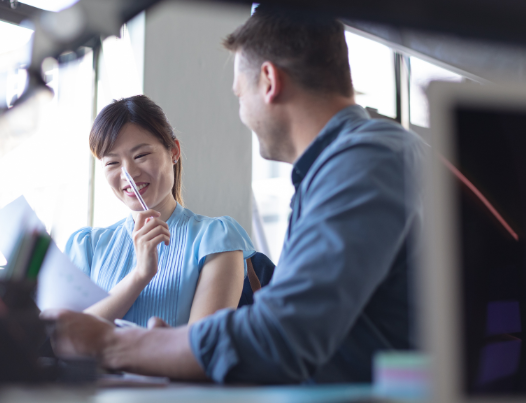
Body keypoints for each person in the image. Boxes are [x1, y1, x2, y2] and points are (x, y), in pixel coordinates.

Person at [42, 6, 424, 384]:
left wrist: (114, 345)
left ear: (269, 81)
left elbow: (281, 336)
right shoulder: (340, 167)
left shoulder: (362, 160)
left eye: (240, 95)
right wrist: (165, 343)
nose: (241, 113)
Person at [63, 94, 256, 328]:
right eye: (112, 163)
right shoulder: (88, 246)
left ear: (174, 151)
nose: (129, 174)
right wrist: (140, 275)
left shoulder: (216, 239)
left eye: (141, 155)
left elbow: (198, 352)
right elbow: (66, 338)